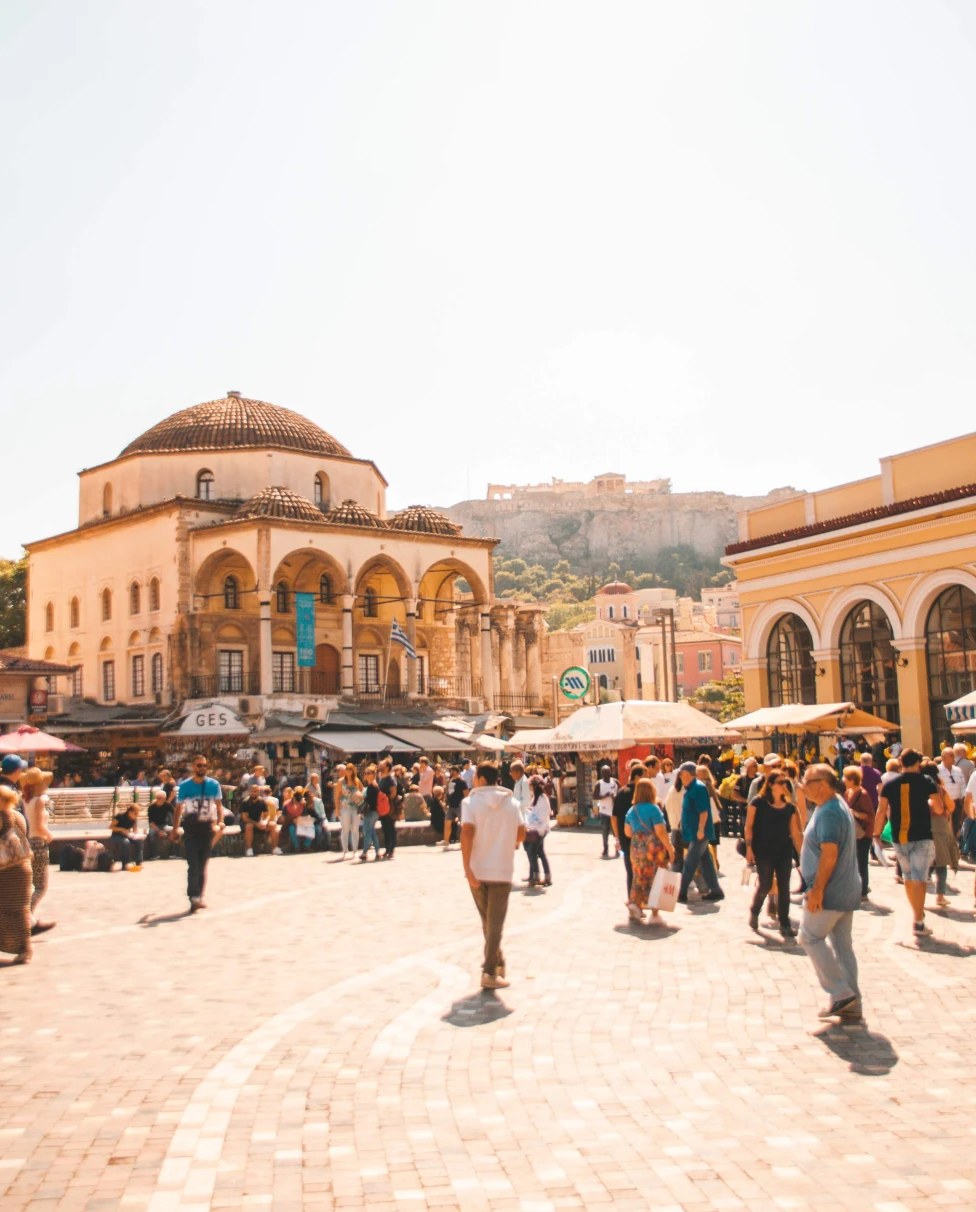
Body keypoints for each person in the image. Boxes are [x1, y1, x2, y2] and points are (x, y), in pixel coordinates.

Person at [797, 764, 862, 1017]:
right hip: (845, 888)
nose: (803, 785)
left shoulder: (829, 812)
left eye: (807, 781)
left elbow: (829, 853)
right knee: (842, 946)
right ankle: (850, 1001)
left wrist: (817, 890)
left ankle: (840, 993)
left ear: (822, 783)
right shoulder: (834, 806)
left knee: (809, 936)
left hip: (832, 891)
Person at [461, 763, 525, 989]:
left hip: (478, 869)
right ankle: (493, 967)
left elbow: (467, 832)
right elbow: (521, 833)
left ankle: (493, 967)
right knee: (495, 922)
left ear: (479, 779)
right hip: (502, 868)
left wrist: (467, 867)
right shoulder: (513, 804)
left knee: (488, 921)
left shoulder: (469, 803)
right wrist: (507, 842)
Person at [875, 747, 941, 936]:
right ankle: (918, 921)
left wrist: (876, 833)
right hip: (921, 835)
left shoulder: (890, 783)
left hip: (899, 836)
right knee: (919, 878)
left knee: (909, 877)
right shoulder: (926, 781)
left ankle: (917, 917)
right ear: (917, 763)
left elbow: (881, 811)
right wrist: (927, 803)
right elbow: (938, 807)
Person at [746, 768, 803, 936]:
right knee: (765, 884)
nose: (784, 784)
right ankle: (755, 910)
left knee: (784, 887)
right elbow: (748, 826)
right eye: (780, 782)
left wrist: (802, 855)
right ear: (770, 784)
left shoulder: (790, 807)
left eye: (785, 781)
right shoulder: (757, 802)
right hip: (763, 850)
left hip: (783, 851)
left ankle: (784, 923)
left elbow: (795, 833)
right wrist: (749, 848)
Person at [172, 755, 223, 912]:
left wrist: (220, 822)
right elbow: (179, 808)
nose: (202, 768)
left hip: (206, 827)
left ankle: (200, 895)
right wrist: (175, 828)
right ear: (193, 767)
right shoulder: (186, 786)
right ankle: (193, 896)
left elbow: (219, 806)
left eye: (204, 765)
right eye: (199, 765)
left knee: (202, 865)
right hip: (191, 827)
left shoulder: (214, 785)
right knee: (193, 863)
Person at [624, 778, 674, 923]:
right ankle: (654, 911)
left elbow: (627, 832)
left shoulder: (631, 810)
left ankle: (634, 903)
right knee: (656, 877)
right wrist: (670, 849)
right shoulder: (654, 808)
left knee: (639, 877)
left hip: (636, 848)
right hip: (653, 849)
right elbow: (661, 831)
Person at [676, 762, 723, 904]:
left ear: (688, 774)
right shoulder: (690, 788)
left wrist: (701, 829)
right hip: (694, 832)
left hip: (699, 834)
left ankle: (682, 892)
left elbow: (703, 811)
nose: (680, 777)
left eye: (682, 774)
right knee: (705, 862)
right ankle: (716, 890)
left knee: (690, 862)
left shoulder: (699, 788)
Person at [0, 786, 33, 964]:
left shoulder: (3, 816)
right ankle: (24, 948)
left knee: (11, 912)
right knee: (19, 912)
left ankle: (24, 949)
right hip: (21, 868)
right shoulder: (18, 815)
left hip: (6, 872)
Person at [22, 768, 56, 932]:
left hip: (28, 841)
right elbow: (39, 825)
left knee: (31, 883)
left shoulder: (25, 799)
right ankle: (26, 916)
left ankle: (26, 917)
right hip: (38, 842)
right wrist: (49, 835)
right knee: (41, 886)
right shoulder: (40, 800)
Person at [921, 759, 958, 909]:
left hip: (921, 825)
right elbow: (950, 806)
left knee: (923, 862)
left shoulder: (915, 787)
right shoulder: (938, 787)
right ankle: (940, 896)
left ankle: (919, 897)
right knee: (941, 861)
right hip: (939, 825)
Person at [842, 766, 875, 901]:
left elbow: (870, 816)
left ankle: (863, 890)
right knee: (851, 861)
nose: (843, 780)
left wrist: (854, 813)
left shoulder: (863, 794)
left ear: (852, 779)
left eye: (846, 778)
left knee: (862, 861)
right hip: (851, 832)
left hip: (863, 833)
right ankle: (855, 887)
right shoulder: (847, 792)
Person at [612, 764, 645, 895]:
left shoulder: (620, 792)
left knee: (630, 871)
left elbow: (613, 817)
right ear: (637, 777)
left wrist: (617, 836)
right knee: (640, 871)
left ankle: (632, 900)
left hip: (625, 837)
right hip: (639, 837)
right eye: (644, 777)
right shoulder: (641, 793)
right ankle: (638, 902)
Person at [523, 775, 552, 888]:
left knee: (532, 852)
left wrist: (532, 817)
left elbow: (542, 815)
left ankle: (536, 876)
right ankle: (546, 877)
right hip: (536, 828)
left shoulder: (542, 798)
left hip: (540, 830)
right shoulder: (536, 797)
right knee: (540, 853)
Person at [241, 785, 281, 855]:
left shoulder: (262, 801)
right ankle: (249, 849)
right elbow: (245, 818)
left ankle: (275, 848)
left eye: (255, 791)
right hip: (247, 823)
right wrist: (257, 824)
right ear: (250, 792)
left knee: (273, 825)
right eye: (252, 791)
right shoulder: (245, 802)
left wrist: (265, 822)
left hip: (259, 822)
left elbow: (267, 815)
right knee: (249, 826)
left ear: (258, 792)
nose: (253, 793)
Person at [937, 747, 967, 833]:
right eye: (951, 756)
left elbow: (962, 785)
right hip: (944, 804)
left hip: (957, 802)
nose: (954, 758)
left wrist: (963, 798)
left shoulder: (958, 770)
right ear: (944, 758)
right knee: (945, 827)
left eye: (953, 755)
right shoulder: (937, 770)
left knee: (956, 825)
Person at [109, 800, 145, 870]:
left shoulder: (134, 819)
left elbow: (135, 829)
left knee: (139, 841)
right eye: (135, 813)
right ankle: (125, 863)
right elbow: (111, 827)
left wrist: (137, 835)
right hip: (116, 835)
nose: (136, 815)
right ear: (130, 812)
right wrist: (121, 829)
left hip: (127, 835)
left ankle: (139, 861)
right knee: (126, 842)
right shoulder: (120, 816)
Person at [593, 765, 619, 859]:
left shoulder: (615, 782)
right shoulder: (599, 784)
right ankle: (605, 848)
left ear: (610, 772)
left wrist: (615, 796)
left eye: (607, 772)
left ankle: (617, 848)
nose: (606, 774)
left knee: (615, 831)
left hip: (614, 810)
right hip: (604, 810)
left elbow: (620, 792)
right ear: (601, 773)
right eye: (604, 772)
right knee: (605, 830)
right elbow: (594, 796)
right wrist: (604, 796)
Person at [337, 766, 363, 858]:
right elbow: (337, 796)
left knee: (355, 829)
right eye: (347, 769)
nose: (348, 771)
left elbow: (363, 791)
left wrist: (360, 795)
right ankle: (345, 850)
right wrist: (337, 810)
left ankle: (355, 850)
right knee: (345, 829)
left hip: (355, 807)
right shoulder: (341, 781)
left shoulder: (357, 780)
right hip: (344, 807)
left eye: (350, 769)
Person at [378, 759, 399, 859]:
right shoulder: (381, 778)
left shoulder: (391, 779)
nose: (379, 765)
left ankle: (391, 849)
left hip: (390, 807)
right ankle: (387, 848)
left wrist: (386, 801)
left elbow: (393, 793)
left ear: (387, 767)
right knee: (385, 829)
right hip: (382, 807)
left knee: (391, 828)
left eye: (382, 764)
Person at [359, 765, 381, 861]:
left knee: (368, 832)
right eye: (366, 773)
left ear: (373, 774)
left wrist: (361, 796)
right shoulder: (374, 785)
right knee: (372, 832)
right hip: (375, 812)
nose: (366, 775)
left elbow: (371, 800)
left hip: (371, 811)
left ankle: (364, 852)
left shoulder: (372, 786)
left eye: (369, 773)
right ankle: (377, 851)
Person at [146, 787, 173, 859]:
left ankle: (172, 852)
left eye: (161, 798)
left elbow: (175, 813)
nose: (159, 799)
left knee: (175, 831)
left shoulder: (167, 805)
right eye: (158, 797)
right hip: (154, 826)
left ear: (164, 798)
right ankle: (154, 854)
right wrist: (158, 831)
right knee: (151, 834)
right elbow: (151, 822)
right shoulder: (151, 807)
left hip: (164, 825)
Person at [445, 770, 466, 847]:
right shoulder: (451, 781)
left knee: (462, 824)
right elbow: (449, 793)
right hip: (451, 805)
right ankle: (446, 841)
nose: (451, 773)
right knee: (447, 823)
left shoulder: (462, 782)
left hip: (459, 805)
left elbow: (466, 793)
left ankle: (462, 842)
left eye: (452, 772)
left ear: (456, 772)